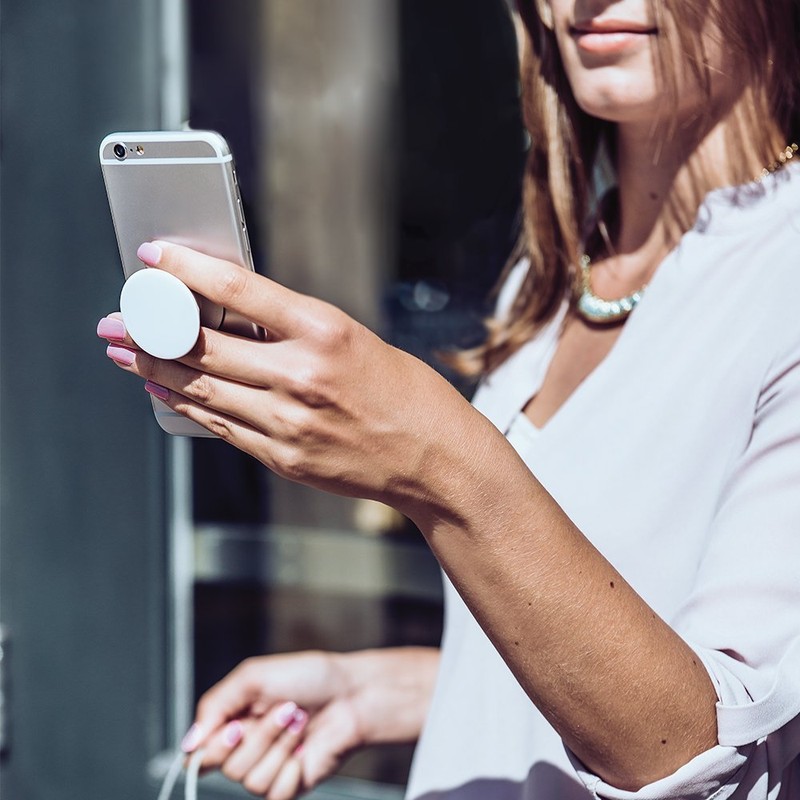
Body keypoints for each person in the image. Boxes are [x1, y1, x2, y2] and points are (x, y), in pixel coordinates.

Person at [97, 0, 800, 797]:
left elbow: (717, 757)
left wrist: (438, 461)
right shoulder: (558, 268)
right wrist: (398, 689)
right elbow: (624, 618)